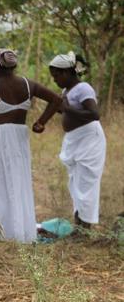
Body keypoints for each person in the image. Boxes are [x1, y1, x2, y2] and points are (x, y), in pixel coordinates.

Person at [0, 48, 62, 243]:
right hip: (19, 135)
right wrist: (41, 122)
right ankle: (21, 231)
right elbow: (56, 100)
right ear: (13, 66)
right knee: (19, 180)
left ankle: (3, 230)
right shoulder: (28, 84)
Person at [33, 52, 106, 229]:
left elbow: (94, 114)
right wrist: (42, 122)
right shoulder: (67, 91)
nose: (55, 80)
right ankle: (79, 225)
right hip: (76, 140)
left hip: (89, 140)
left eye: (57, 76)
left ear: (66, 73)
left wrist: (68, 109)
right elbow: (63, 109)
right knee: (75, 183)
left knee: (85, 184)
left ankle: (84, 229)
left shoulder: (84, 88)